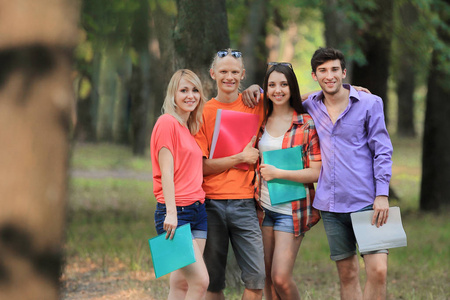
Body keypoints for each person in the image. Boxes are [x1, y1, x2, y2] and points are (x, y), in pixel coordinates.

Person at [304, 47, 393, 300]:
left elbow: (382, 151)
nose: (329, 75)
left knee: (378, 271)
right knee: (348, 275)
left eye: (334, 70)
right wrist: (257, 90)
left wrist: (382, 194)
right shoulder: (311, 105)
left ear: (344, 72)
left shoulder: (369, 103)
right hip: (330, 207)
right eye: (322, 71)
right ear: (314, 75)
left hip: (367, 202)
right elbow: (280, 96)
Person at [194, 49, 266, 300]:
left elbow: (292, 98)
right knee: (212, 284)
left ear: (243, 74)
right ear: (213, 74)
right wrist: (239, 159)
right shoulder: (203, 112)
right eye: (223, 71)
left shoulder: (256, 104)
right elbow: (200, 166)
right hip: (210, 204)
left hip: (245, 203)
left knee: (256, 279)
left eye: (235, 72)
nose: (229, 77)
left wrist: (348, 89)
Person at [254, 62, 321, 300]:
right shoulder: (260, 121)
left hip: (291, 211)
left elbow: (316, 172)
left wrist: (279, 173)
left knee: (281, 277)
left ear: (291, 87)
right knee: (267, 279)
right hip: (262, 208)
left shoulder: (305, 123)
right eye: (272, 85)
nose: (278, 90)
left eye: (283, 84)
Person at [150, 69, 209, 300]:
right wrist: (172, 213)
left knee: (181, 283)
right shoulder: (167, 123)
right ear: (172, 94)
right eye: (183, 90)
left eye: (195, 90)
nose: (190, 95)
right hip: (175, 214)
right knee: (201, 282)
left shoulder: (188, 128)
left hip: (198, 212)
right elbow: (166, 172)